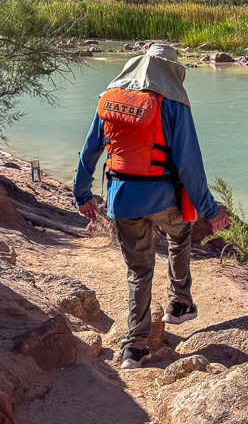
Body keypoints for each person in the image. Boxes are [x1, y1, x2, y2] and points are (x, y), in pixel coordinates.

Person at [73, 43, 229, 369]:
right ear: (172, 71)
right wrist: (211, 210)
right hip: (162, 198)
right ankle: (179, 304)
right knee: (181, 232)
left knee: (139, 271)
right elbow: (189, 165)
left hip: (121, 199)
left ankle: (134, 348)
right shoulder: (173, 102)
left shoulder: (111, 98)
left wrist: (83, 194)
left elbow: (89, 152)